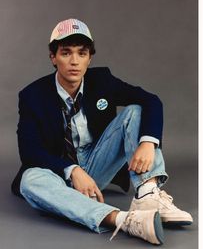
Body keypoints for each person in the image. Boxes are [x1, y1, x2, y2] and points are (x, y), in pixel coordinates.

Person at [11, 18, 193, 245]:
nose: (74, 61)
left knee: (136, 110)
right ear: (53, 57)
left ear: (90, 58)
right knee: (29, 180)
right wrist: (72, 170)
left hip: (97, 166)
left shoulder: (102, 81)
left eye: (82, 53)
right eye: (66, 53)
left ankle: (147, 195)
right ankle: (124, 220)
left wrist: (148, 142)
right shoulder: (32, 95)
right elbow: (29, 151)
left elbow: (151, 101)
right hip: (57, 176)